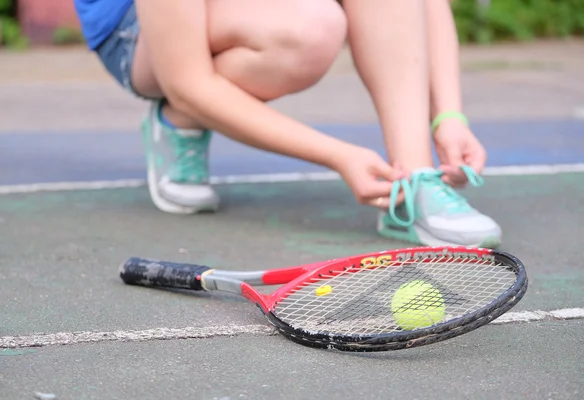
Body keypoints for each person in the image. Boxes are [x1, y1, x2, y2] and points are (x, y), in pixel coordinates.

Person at [73, 0, 501, 248]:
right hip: (137, 33)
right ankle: (180, 116)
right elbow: (187, 82)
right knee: (308, 32)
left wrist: (449, 116)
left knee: (312, 23)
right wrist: (337, 155)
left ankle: (414, 184)